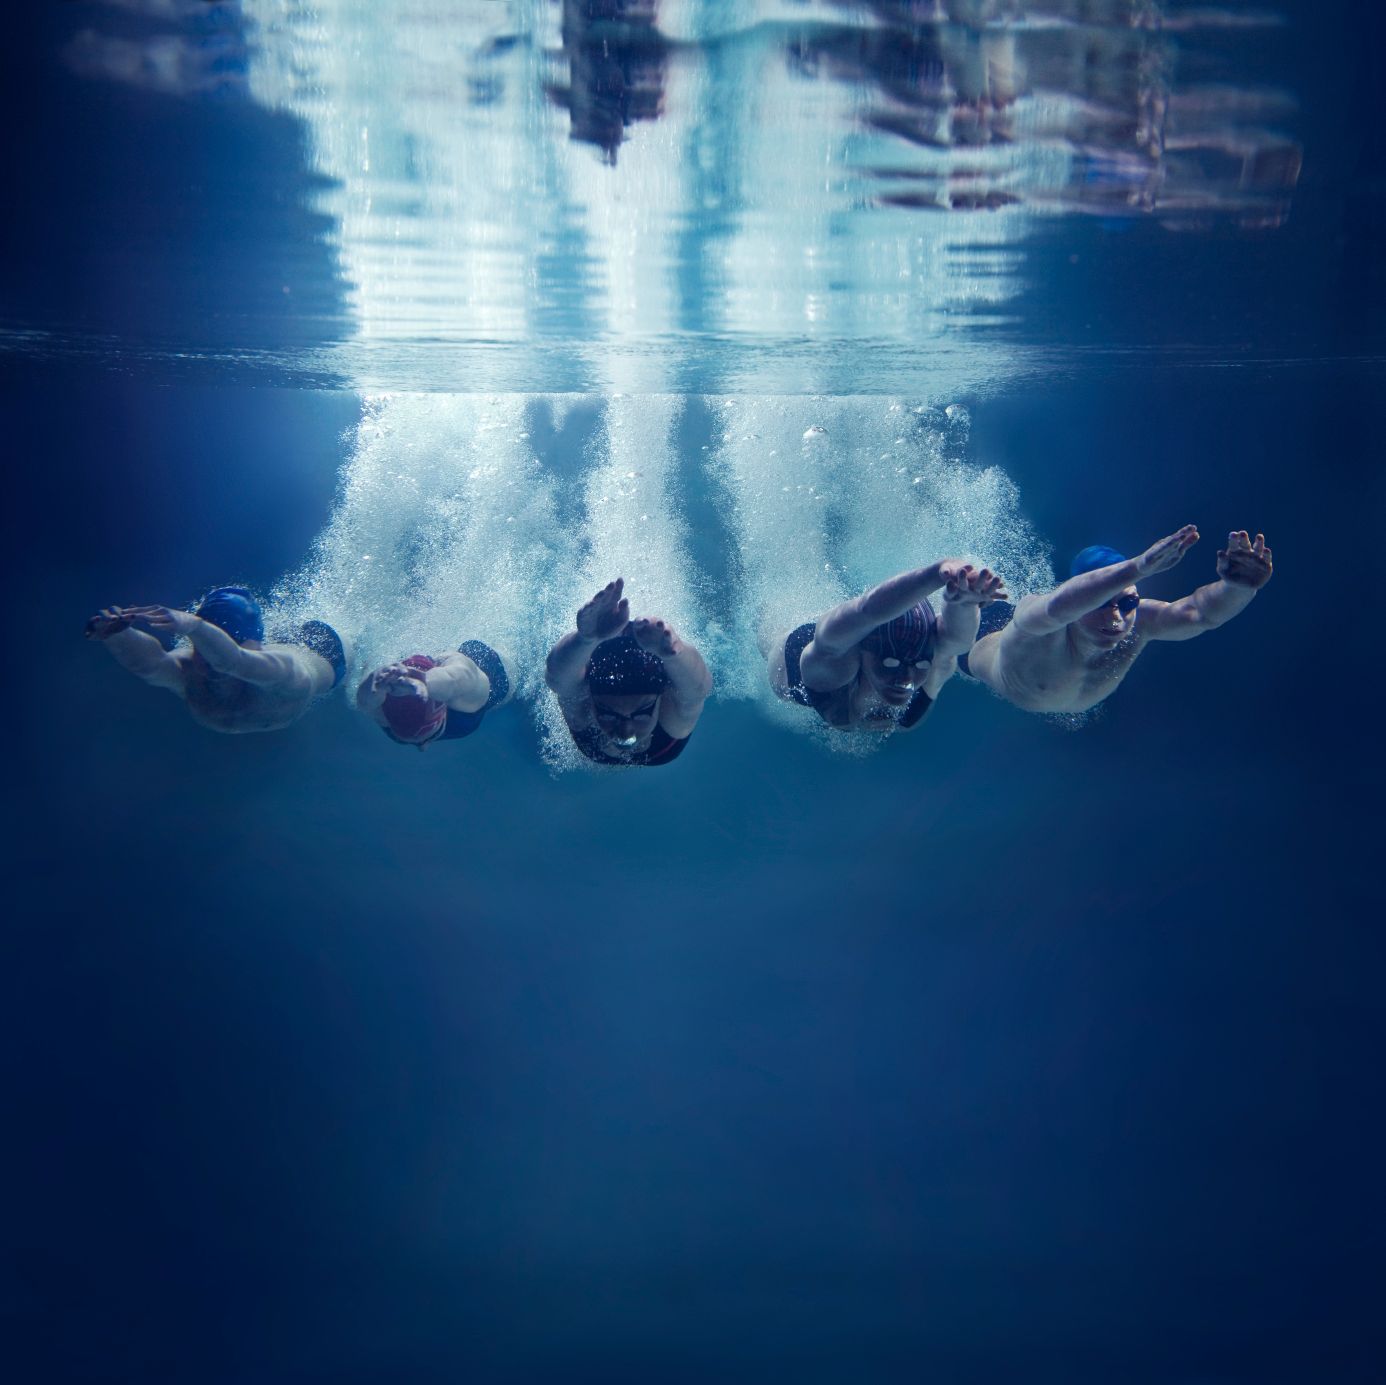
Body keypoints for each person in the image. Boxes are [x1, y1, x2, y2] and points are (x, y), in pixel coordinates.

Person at [962, 526, 1273, 713]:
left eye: (1127, 603)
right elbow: (1058, 605)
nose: (1116, 617)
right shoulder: (1040, 622)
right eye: (1100, 603)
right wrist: (1138, 568)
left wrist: (1238, 588)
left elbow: (1200, 614)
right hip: (975, 639)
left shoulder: (1141, 622)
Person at [768, 559, 1007, 733]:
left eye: (920, 665)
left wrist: (964, 603)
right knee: (773, 630)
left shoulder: (935, 661)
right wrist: (935, 574)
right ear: (861, 650)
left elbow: (958, 640)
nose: (906, 677)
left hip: (866, 635)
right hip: (796, 660)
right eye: (890, 663)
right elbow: (865, 612)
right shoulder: (835, 665)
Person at [84, 585, 347, 734]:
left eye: (216, 646)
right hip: (250, 640)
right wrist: (117, 634)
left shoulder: (283, 670)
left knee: (354, 644)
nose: (208, 662)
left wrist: (194, 627)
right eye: (201, 649)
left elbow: (231, 662)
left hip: (326, 650)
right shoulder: (189, 666)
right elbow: (150, 666)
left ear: (256, 647)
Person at [545, 578, 712, 767]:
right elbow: (697, 689)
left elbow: (698, 689)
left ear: (662, 696)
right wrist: (585, 640)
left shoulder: (669, 715)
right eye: (608, 715)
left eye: (642, 715)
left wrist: (675, 654)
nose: (625, 732)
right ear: (590, 698)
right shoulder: (584, 707)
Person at [356, 640, 515, 749]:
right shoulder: (382, 710)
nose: (423, 747)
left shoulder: (467, 690)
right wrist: (376, 678)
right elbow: (364, 701)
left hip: (490, 668)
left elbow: (455, 678)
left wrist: (425, 681)